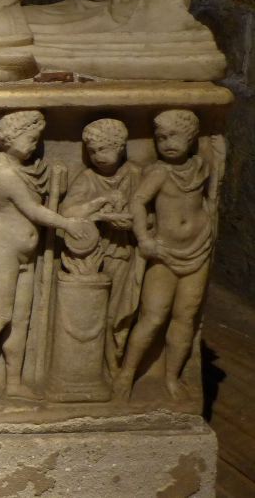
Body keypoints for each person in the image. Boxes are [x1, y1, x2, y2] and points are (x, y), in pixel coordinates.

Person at [0, 110, 93, 406]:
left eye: (37, 140)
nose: (33, 145)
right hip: (1, 250)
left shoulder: (24, 169)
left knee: (21, 319)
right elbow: (33, 211)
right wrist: (67, 224)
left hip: (23, 253)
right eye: (29, 139)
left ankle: (13, 383)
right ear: (9, 139)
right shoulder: (4, 174)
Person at [113, 110, 216, 400]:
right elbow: (138, 201)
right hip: (165, 252)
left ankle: (171, 376)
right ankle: (126, 373)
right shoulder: (159, 172)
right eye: (161, 138)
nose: (167, 143)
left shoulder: (200, 167)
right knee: (154, 316)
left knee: (185, 316)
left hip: (199, 247)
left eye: (175, 136)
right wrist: (144, 239)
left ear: (191, 138)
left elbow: (213, 159)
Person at [57, 118, 143, 373]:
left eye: (104, 149)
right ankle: (101, 367)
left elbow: (149, 214)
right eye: (92, 151)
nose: (97, 156)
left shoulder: (135, 174)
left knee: (120, 312)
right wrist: (101, 206)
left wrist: (132, 223)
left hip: (124, 252)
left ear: (121, 146)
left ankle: (115, 362)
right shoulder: (88, 177)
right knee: (97, 312)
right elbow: (68, 211)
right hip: (92, 255)